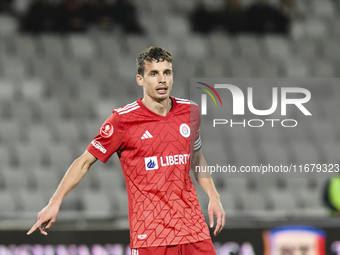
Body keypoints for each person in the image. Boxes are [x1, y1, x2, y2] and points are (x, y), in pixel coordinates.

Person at [27, 47, 225, 255]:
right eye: (153, 73)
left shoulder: (189, 111)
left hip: (193, 229)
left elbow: (196, 157)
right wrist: (54, 202)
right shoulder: (122, 121)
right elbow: (84, 161)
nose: (162, 80)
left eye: (166, 73)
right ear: (140, 79)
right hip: (152, 234)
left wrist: (214, 196)